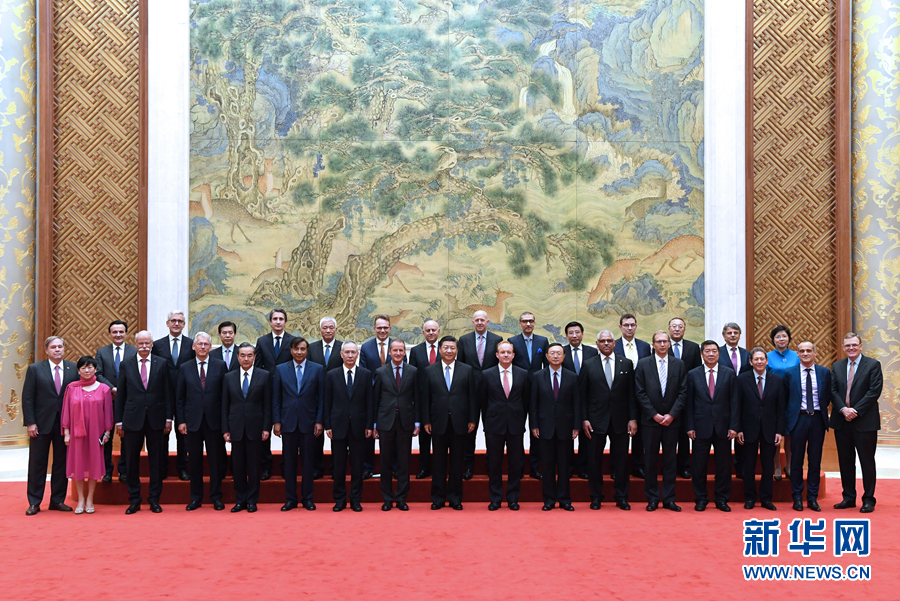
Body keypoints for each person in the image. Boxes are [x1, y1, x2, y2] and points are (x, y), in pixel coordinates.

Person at [579, 330, 637, 511]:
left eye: (609, 340)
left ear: (614, 343)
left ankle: (621, 496)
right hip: (595, 420)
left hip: (621, 420)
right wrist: (584, 419)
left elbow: (631, 394)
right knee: (594, 461)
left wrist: (633, 418)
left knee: (621, 461)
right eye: (602, 341)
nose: (606, 343)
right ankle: (596, 496)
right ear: (597, 344)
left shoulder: (626, 363)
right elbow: (582, 395)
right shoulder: (588, 364)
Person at [115, 331, 171, 514]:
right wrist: (119, 421)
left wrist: (168, 418)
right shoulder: (126, 364)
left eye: (148, 343)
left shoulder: (162, 363)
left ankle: (154, 499)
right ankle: (134, 500)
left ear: (152, 344)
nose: (144, 346)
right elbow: (121, 394)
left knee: (156, 461)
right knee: (131, 461)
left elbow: (167, 392)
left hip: (156, 419)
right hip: (132, 419)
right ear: (135, 344)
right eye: (141, 343)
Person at [23, 336, 79, 515]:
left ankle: (57, 500)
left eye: (60, 346)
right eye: (53, 347)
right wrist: (30, 422)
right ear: (46, 350)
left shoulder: (73, 369)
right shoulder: (35, 369)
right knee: (37, 463)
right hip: (40, 424)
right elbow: (28, 397)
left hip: (65, 425)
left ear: (64, 349)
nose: (57, 350)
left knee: (61, 463)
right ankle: (34, 502)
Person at [830, 333, 883, 513]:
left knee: (866, 461)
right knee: (845, 461)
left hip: (865, 421)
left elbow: (874, 391)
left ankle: (868, 499)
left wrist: (855, 411)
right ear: (843, 348)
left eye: (854, 345)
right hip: (842, 421)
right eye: (847, 345)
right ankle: (848, 497)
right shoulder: (837, 366)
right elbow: (833, 391)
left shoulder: (873, 365)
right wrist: (843, 409)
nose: (851, 348)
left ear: (860, 346)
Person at [422, 336, 477, 510]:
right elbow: (425, 399)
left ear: (457, 350)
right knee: (438, 462)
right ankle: (438, 498)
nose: (449, 351)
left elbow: (472, 397)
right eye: (445, 347)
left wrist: (472, 419)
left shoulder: (467, 370)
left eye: (452, 348)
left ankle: (455, 498)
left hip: (460, 422)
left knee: (457, 462)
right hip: (437, 422)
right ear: (440, 349)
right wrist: (426, 420)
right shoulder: (429, 370)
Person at [635, 331, 687, 512]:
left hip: (672, 422)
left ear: (669, 344)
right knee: (650, 461)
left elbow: (683, 392)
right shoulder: (643, 364)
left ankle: (669, 499)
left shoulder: (679, 364)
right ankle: (652, 498)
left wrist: (671, 414)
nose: (662, 344)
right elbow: (639, 392)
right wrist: (654, 414)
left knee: (670, 461)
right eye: (659, 342)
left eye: (665, 341)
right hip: (650, 422)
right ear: (653, 345)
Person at [176, 332, 228, 511]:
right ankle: (196, 498)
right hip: (192, 422)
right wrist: (181, 421)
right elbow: (180, 397)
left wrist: (225, 423)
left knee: (216, 461)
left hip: (214, 422)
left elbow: (225, 396)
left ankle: (216, 497)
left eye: (206, 344)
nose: (203, 347)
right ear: (194, 346)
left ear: (210, 347)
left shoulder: (220, 366)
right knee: (195, 461)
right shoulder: (185, 367)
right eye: (200, 344)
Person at [685, 341, 737, 512]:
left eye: (714, 351)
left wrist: (733, 426)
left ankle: (721, 499)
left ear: (719, 354)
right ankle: (701, 498)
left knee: (724, 466)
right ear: (702, 354)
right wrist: (690, 426)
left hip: (723, 427)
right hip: (700, 426)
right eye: (707, 351)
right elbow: (689, 403)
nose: (711, 354)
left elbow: (734, 402)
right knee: (699, 465)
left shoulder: (729, 373)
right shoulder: (693, 374)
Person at [273, 336, 323, 511]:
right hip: (288, 422)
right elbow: (276, 398)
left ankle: (308, 498)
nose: (299, 352)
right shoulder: (280, 369)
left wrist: (319, 421)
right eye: (296, 349)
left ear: (307, 350)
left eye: (303, 349)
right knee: (289, 463)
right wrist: (277, 421)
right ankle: (290, 499)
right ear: (291, 350)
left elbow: (321, 398)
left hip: (309, 422)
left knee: (308, 462)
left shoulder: (317, 369)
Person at [222, 343, 272, 513]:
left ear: (255, 357)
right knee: (238, 467)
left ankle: (252, 501)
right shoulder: (229, 377)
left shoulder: (264, 376)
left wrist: (266, 428)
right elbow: (225, 406)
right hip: (235, 427)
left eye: (249, 355)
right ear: (237, 357)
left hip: (256, 428)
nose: (246, 359)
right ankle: (240, 500)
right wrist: (225, 429)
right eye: (242, 355)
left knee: (254, 466)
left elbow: (267, 405)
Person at [735, 348, 786, 510]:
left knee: (768, 465)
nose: (759, 362)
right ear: (750, 362)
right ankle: (750, 498)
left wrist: (779, 431)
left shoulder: (777, 380)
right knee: (748, 465)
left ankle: (766, 498)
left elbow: (781, 408)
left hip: (770, 429)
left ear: (767, 361)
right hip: (748, 429)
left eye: (762, 359)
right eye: (755, 359)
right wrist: (738, 429)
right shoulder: (741, 380)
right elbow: (737, 406)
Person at [323, 341, 372, 512]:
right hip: (338, 427)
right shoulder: (331, 375)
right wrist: (328, 425)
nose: (350, 355)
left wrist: (369, 425)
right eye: (347, 352)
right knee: (339, 466)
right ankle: (339, 500)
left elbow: (369, 402)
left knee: (357, 466)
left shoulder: (365, 374)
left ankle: (356, 499)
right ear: (341, 354)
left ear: (357, 354)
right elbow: (327, 402)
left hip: (359, 427)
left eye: (353, 352)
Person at [61, 356, 114, 514]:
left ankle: (90, 499)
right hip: (76, 434)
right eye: (83, 368)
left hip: (96, 433)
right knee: (78, 465)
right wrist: (66, 432)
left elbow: (108, 413)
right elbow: (66, 411)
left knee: (93, 465)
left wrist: (107, 432)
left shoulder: (104, 389)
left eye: (90, 367)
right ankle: (81, 499)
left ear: (95, 369)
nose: (87, 370)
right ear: (78, 371)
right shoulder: (71, 388)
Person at [372, 339, 420, 511]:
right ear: (390, 352)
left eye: (401, 350)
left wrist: (417, 421)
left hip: (405, 422)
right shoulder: (380, 372)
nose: (398, 353)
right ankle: (387, 499)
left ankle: (401, 498)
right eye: (395, 350)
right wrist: (374, 424)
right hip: (385, 422)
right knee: (385, 461)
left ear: (405, 352)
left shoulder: (413, 371)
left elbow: (417, 398)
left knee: (404, 461)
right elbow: (375, 399)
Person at [481, 341, 529, 510]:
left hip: (515, 425)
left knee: (515, 463)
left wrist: (521, 418)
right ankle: (495, 499)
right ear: (497, 355)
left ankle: (513, 499)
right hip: (494, 425)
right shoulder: (487, 374)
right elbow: (483, 401)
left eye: (509, 352)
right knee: (494, 463)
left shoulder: (523, 374)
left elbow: (526, 400)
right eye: (503, 352)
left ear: (513, 355)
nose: (506, 355)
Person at [530, 343, 579, 511]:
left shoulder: (572, 377)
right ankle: (549, 500)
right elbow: (533, 404)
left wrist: (576, 426)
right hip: (545, 427)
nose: (556, 356)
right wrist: (534, 425)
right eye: (552, 353)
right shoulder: (537, 376)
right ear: (547, 356)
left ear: (564, 356)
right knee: (548, 466)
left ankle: (565, 500)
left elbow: (577, 403)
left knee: (565, 466)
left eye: (559, 353)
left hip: (566, 427)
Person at [784, 341, 831, 512]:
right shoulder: (789, 373)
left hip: (817, 419)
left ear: (815, 353)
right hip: (798, 420)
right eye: (802, 351)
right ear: (797, 353)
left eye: (809, 350)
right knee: (796, 460)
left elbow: (827, 395)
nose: (805, 353)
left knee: (815, 460)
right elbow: (785, 398)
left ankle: (812, 497)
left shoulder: (824, 372)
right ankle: (797, 496)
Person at [457, 310, 501, 480]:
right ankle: (468, 466)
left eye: (483, 320)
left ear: (488, 322)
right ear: (473, 322)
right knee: (469, 432)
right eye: (477, 320)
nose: (480, 322)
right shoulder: (464, 340)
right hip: (470, 394)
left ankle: (491, 465)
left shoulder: (497, 339)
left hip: (492, 394)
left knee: (491, 432)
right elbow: (460, 366)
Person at [152, 310, 194, 481]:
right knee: (163, 433)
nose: (176, 324)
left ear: (184, 324)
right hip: (163, 395)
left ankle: (182, 468)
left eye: (180, 321)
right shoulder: (157, 345)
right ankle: (162, 468)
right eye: (173, 320)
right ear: (167, 323)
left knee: (183, 434)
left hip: (185, 395)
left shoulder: (191, 344)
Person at [255, 308, 295, 481]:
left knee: (288, 432)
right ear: (270, 322)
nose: (278, 322)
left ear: (285, 322)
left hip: (287, 393)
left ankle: (287, 466)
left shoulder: (293, 341)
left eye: (281, 319)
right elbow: (257, 367)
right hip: (265, 392)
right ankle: (266, 467)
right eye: (275, 319)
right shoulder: (262, 341)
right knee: (264, 431)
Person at [507, 311, 548, 480]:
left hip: (538, 392)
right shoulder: (512, 341)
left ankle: (535, 467)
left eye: (531, 321)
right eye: (525, 321)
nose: (528, 324)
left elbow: (547, 366)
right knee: (517, 431)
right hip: (518, 392)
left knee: (536, 431)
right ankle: (518, 467)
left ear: (535, 322)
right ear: (519, 324)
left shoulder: (542, 341)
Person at [95, 320, 137, 483]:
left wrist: (124, 390)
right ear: (110, 334)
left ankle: (124, 470)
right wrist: (112, 388)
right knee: (107, 436)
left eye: (121, 332)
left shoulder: (134, 351)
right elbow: (98, 374)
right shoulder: (102, 352)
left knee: (127, 438)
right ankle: (107, 471)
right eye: (115, 332)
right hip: (108, 400)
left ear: (126, 333)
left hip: (129, 401)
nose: (118, 335)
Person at [359, 314, 398, 479]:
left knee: (392, 433)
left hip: (392, 397)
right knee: (368, 433)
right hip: (371, 397)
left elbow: (400, 370)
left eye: (385, 328)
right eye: (379, 327)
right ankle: (368, 467)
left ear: (390, 329)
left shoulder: (396, 346)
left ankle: (393, 467)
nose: (382, 330)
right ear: (374, 329)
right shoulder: (366, 348)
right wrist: (376, 388)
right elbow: (364, 372)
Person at [614, 313, 650, 478]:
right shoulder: (613, 345)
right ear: (620, 327)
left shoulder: (644, 346)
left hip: (641, 395)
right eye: (626, 325)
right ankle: (617, 468)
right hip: (619, 397)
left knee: (640, 434)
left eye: (632, 325)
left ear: (636, 327)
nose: (629, 328)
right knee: (619, 435)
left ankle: (638, 465)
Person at [307, 316, 343, 479]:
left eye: (331, 327)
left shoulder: (343, 347)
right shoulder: (311, 348)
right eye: (325, 328)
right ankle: (317, 468)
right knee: (316, 435)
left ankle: (336, 468)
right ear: (320, 330)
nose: (328, 330)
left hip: (338, 398)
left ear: (336, 330)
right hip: (315, 397)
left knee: (337, 435)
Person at [562, 320, 597, 479]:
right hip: (566, 401)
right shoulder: (561, 352)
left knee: (586, 435)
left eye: (577, 332)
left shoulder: (592, 352)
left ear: (582, 334)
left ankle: (584, 468)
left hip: (588, 399)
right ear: (566, 335)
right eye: (571, 333)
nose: (574, 335)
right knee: (566, 436)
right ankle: (568, 468)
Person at [668, 317, 701, 480]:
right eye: (674, 326)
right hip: (666, 399)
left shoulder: (693, 347)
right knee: (668, 437)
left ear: (684, 329)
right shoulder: (662, 345)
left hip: (687, 397)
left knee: (684, 435)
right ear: (669, 329)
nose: (677, 329)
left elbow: (697, 373)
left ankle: (684, 466)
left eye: (680, 326)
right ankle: (669, 467)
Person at [408, 319, 441, 479]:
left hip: (442, 399)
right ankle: (424, 467)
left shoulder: (446, 349)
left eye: (434, 330)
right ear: (423, 332)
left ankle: (440, 468)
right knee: (424, 437)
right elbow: (412, 376)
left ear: (438, 331)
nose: (431, 333)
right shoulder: (416, 351)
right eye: (428, 330)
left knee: (441, 436)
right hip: (422, 400)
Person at [719, 322, 751, 479]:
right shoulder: (717, 352)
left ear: (739, 335)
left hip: (744, 399)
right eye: (729, 333)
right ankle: (723, 470)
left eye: (736, 333)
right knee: (723, 436)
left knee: (741, 434)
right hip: (722, 399)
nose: (733, 335)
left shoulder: (747, 354)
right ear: (724, 335)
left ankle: (740, 467)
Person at [768, 325, 799, 480]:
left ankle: (789, 465)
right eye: (778, 336)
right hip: (773, 400)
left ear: (789, 339)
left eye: (784, 336)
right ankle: (777, 466)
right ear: (773, 340)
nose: (781, 339)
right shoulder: (767, 356)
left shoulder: (797, 356)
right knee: (775, 434)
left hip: (792, 400)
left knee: (790, 434)